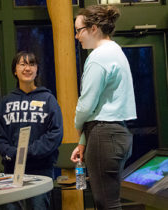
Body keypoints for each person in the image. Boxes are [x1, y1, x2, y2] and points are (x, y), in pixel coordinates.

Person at [70, 5, 137, 210]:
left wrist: (77, 124)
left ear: (94, 28)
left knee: (106, 204)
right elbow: (102, 107)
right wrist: (83, 141)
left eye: (79, 30)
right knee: (108, 202)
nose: (76, 36)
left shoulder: (99, 57)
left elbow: (87, 105)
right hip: (116, 133)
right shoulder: (115, 51)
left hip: (103, 136)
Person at [0, 51, 63, 210]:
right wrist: (12, 153)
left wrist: (28, 152)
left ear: (37, 69)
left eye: (32, 64)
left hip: (41, 169)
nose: (27, 68)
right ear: (14, 70)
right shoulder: (5, 102)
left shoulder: (48, 99)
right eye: (22, 64)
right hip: (12, 170)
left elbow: (55, 133)